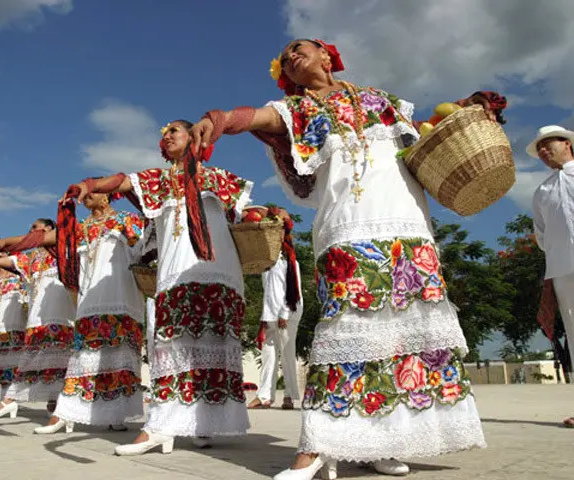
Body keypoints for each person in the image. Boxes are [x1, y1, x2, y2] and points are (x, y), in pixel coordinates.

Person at [188, 39, 499, 479]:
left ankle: (382, 441)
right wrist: (218, 120)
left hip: (408, 226)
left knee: (402, 339)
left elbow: (424, 140)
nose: (292, 56)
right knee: (346, 333)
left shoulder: (380, 100)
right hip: (347, 227)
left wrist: (466, 109)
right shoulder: (299, 110)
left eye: (301, 48)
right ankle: (317, 446)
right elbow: (256, 117)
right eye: (286, 57)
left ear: (326, 56)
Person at [63, 119, 253, 455]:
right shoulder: (157, 180)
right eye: (162, 135)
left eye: (173, 132)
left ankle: (202, 424)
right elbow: (122, 180)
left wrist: (270, 213)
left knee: (209, 344)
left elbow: (246, 214)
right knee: (172, 345)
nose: (165, 138)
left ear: (194, 137)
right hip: (176, 270)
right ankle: (162, 426)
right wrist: (90, 183)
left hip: (219, 270)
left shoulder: (221, 178)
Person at [34, 189, 145, 434]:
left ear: (107, 196)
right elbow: (49, 239)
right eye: (82, 196)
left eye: (91, 193)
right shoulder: (80, 227)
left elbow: (143, 249)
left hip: (120, 292)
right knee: (83, 355)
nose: (85, 198)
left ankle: (117, 413)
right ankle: (66, 413)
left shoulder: (128, 219)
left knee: (118, 353)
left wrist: (131, 238)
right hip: (90, 297)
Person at [0, 218, 76, 420]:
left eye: (35, 227)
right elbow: (3, 261)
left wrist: (6, 241)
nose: (31, 230)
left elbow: (29, 240)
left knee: (62, 359)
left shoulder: (64, 246)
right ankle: (19, 400)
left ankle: (50, 401)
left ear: (49, 229)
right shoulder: (31, 257)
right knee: (33, 356)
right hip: (37, 315)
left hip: (62, 314)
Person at [528, 125, 574, 428]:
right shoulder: (542, 191)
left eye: (549, 144)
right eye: (540, 148)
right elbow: (541, 236)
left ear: (567, 143)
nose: (544, 151)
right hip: (563, 267)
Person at [249, 237, 303, 411]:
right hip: (270, 314)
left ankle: (288, 395)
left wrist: (285, 313)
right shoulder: (266, 264)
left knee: (287, 355)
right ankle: (265, 396)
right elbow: (269, 293)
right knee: (268, 355)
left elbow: (293, 289)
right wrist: (265, 318)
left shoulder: (290, 262)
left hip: (288, 312)